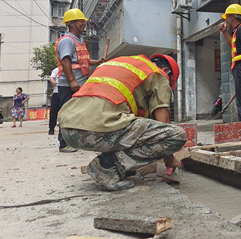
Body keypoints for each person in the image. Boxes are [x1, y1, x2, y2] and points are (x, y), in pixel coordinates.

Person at [58, 54, 186, 191]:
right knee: (177, 135)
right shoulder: (158, 74)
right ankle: (107, 166)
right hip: (95, 130)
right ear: (166, 71)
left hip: (68, 130)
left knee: (130, 126)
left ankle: (118, 167)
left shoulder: (120, 64)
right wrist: (169, 159)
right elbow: (163, 124)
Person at [55, 8, 104, 152]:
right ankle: (63, 143)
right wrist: (72, 81)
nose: (83, 23)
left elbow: (81, 61)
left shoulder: (78, 41)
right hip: (70, 84)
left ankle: (76, 140)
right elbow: (66, 61)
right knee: (68, 112)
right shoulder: (67, 40)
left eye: (83, 21)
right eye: (80, 21)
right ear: (71, 24)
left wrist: (97, 62)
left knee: (77, 113)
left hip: (79, 83)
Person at [218, 4, 241, 121]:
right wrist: (225, 32)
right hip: (239, 67)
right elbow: (231, 45)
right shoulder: (235, 32)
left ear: (232, 17)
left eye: (227, 18)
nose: (226, 21)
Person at [48, 67, 60, 135]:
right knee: (53, 111)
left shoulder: (70, 68)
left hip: (66, 91)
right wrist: (53, 81)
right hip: (56, 93)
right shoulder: (56, 70)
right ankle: (51, 128)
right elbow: (51, 77)